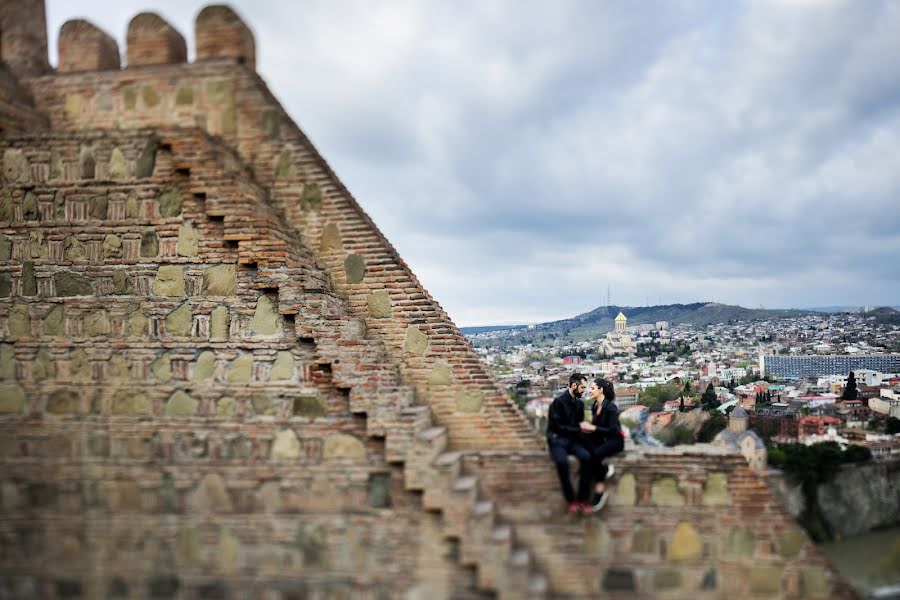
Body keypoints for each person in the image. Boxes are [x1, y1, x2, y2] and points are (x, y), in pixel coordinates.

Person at [546, 373, 593, 514]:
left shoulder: (579, 404)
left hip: (572, 440)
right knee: (562, 462)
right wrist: (579, 428)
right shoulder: (558, 402)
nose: (584, 390)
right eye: (582, 387)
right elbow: (557, 426)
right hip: (557, 440)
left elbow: (578, 426)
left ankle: (583, 499)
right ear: (574, 386)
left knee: (587, 458)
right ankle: (571, 500)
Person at [582, 377, 624, 512]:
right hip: (603, 439)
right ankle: (601, 474)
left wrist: (592, 428)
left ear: (601, 390)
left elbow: (614, 430)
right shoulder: (595, 406)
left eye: (592, 388)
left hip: (614, 441)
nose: (590, 390)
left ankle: (600, 490)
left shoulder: (610, 407)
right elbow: (597, 428)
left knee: (595, 454)